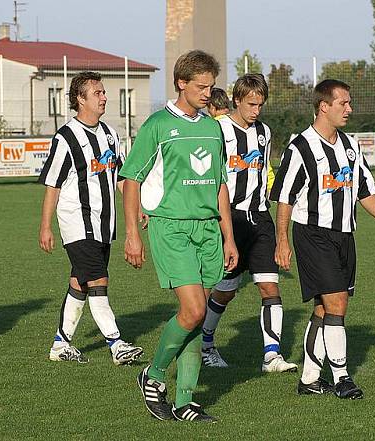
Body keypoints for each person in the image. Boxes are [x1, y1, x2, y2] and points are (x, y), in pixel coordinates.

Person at [120, 50, 238, 422]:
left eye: (211, 87)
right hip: (171, 227)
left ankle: (186, 400)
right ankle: (152, 374)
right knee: (194, 309)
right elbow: (131, 179)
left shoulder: (213, 127)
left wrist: (229, 237)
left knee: (197, 318)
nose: (207, 93)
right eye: (201, 86)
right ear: (180, 83)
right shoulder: (157, 125)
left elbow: (220, 184)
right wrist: (131, 235)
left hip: (208, 231)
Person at [270, 79, 375, 399]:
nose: (349, 109)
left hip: (344, 234)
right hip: (312, 233)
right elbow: (284, 197)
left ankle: (310, 379)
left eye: (350, 103)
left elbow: (364, 189)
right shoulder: (301, 147)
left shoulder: (350, 145)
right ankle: (341, 377)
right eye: (343, 103)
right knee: (337, 301)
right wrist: (282, 240)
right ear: (323, 106)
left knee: (324, 307)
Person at [38, 71, 144, 365]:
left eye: (103, 92)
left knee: (80, 282)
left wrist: (138, 207)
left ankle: (60, 345)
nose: (104, 97)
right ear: (79, 100)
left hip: (104, 223)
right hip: (76, 222)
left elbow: (121, 178)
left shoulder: (110, 135)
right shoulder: (66, 137)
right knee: (98, 279)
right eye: (97, 93)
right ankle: (116, 344)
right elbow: (53, 184)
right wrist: (45, 226)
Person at [199, 73, 297, 373]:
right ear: (237, 100)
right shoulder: (217, 129)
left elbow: (264, 169)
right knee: (226, 289)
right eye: (251, 104)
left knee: (270, 287)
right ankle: (205, 343)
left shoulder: (264, 132)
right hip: (229, 219)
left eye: (260, 105)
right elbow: (210, 176)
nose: (256, 110)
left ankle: (272, 356)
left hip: (260, 218)